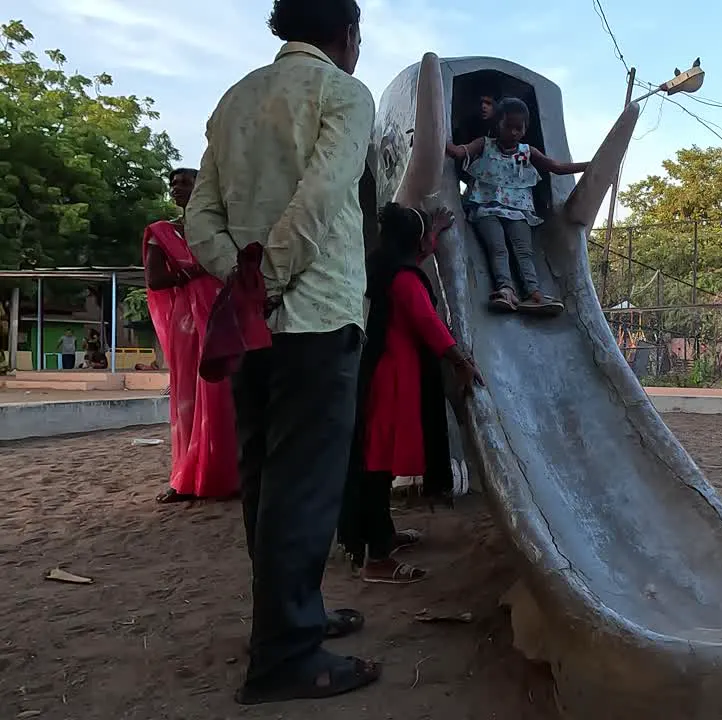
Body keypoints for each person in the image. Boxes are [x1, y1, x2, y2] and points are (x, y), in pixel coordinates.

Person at [184, 0, 380, 705]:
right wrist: (267, 280)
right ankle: (286, 656)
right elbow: (323, 197)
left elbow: (197, 216)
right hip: (316, 316)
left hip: (248, 325)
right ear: (348, 33)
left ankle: (290, 618)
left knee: (268, 484)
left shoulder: (234, 100)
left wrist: (241, 279)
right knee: (303, 489)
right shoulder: (342, 94)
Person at [338, 202, 482, 584]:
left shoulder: (381, 266)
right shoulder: (404, 279)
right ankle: (377, 560)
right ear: (412, 243)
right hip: (393, 377)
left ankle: (383, 535)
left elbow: (414, 257)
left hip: (380, 370)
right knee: (375, 464)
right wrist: (461, 362)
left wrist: (429, 235)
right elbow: (428, 322)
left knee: (376, 462)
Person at [145, 167, 239, 504]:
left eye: (187, 183)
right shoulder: (163, 233)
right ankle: (184, 477)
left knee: (224, 394)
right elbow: (155, 281)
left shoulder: (223, 227)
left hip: (221, 314)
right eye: (173, 183)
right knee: (187, 397)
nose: (178, 188)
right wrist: (197, 270)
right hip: (187, 322)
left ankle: (230, 474)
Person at [445, 97, 589, 316]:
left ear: (525, 128)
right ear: (498, 124)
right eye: (508, 126)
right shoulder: (485, 144)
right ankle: (506, 290)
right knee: (498, 248)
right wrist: (431, 138)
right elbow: (458, 152)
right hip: (486, 208)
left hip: (518, 210)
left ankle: (534, 294)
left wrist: (592, 165)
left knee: (524, 251)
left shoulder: (526, 151)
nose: (513, 132)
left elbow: (556, 167)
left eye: (518, 128)